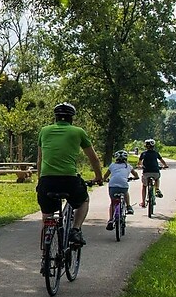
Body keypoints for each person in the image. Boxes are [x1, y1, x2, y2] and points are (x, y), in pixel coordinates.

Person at [35, 102, 104, 247]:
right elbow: (94, 158)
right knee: (84, 200)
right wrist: (99, 177)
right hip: (69, 180)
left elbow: (40, 159)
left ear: (55, 117)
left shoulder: (44, 131)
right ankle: (75, 229)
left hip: (46, 180)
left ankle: (45, 248)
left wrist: (40, 179)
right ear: (72, 118)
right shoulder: (78, 132)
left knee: (47, 214)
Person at [103, 150, 138, 230]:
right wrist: (135, 177)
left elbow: (106, 175)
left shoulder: (112, 165)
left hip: (112, 185)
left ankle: (111, 220)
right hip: (123, 185)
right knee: (125, 192)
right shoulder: (128, 166)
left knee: (112, 202)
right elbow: (135, 174)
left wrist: (104, 180)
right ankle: (129, 206)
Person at [137, 138, 169, 207]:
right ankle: (157, 189)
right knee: (157, 178)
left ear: (145, 146)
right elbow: (162, 160)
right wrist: (165, 166)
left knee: (144, 186)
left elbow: (139, 163)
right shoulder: (156, 153)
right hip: (155, 171)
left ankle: (143, 202)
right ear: (153, 146)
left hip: (146, 172)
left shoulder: (143, 154)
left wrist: (140, 166)